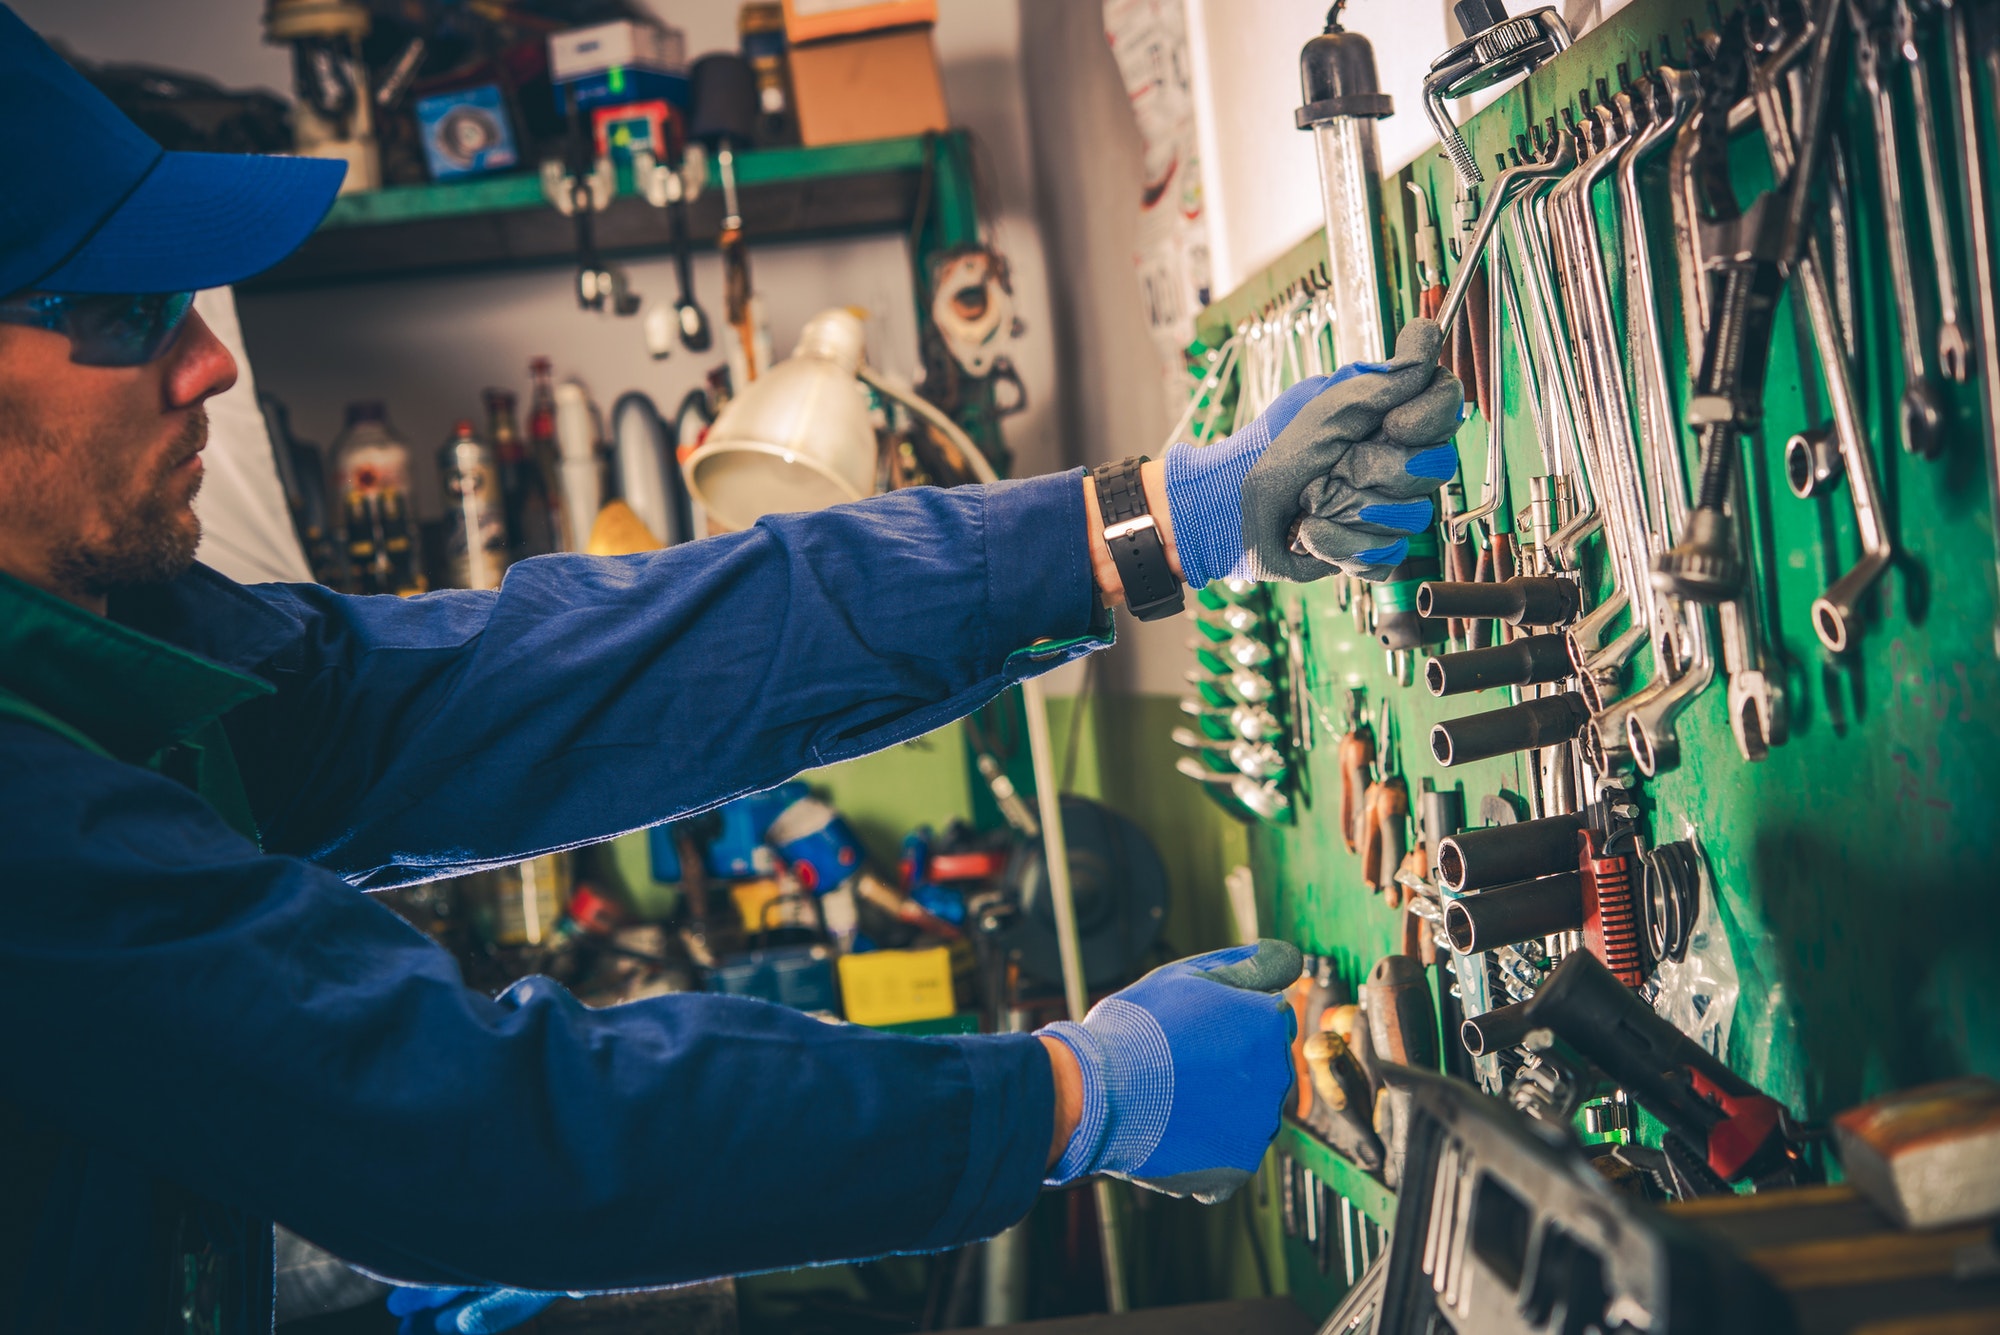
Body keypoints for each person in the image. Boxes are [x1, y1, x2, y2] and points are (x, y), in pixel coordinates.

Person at [0, 6, 1462, 1332]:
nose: (209, 365)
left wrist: (1143, 526)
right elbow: (465, 1124)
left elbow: (545, 680)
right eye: (125, 310)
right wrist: (1072, 1098)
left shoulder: (109, 651)